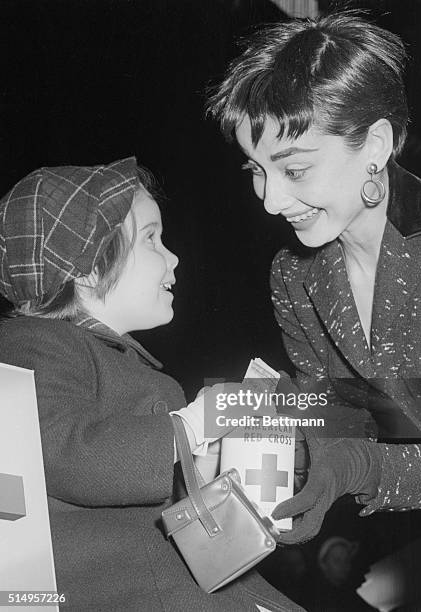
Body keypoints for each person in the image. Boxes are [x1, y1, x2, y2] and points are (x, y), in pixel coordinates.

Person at [207, 10, 421, 611]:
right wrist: (230, 417)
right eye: (257, 171)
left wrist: (356, 470)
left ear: (373, 145)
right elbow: (358, 412)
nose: (270, 201)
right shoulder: (295, 275)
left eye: (294, 168)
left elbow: (395, 441)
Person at [0, 158, 304, 612]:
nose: (173, 256)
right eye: (150, 238)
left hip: (184, 587)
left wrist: (245, 473)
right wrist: (191, 426)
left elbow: (182, 507)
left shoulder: (140, 374)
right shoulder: (32, 345)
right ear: (86, 266)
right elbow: (64, 451)